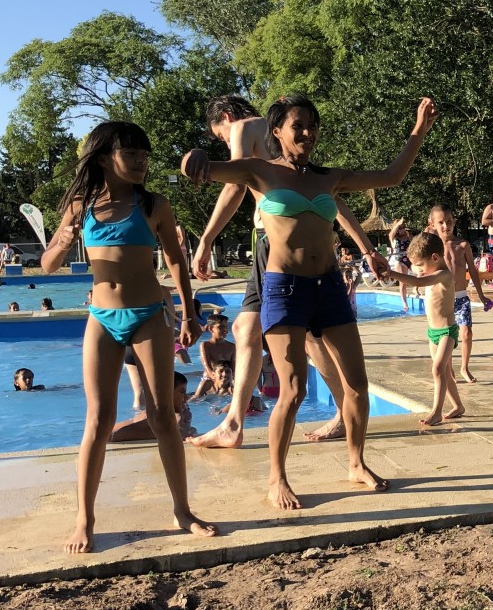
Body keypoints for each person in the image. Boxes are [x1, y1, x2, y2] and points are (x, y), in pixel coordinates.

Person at [180, 94, 439, 508]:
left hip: (329, 287)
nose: (307, 132)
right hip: (285, 288)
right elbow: (207, 170)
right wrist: (193, 157)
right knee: (294, 390)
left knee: (357, 386)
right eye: (297, 125)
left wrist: (418, 131)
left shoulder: (328, 178)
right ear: (277, 131)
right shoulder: (258, 171)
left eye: (312, 125)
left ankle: (356, 463)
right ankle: (277, 478)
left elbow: (391, 176)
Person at [40, 120, 215, 552]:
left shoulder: (154, 204)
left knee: (163, 416)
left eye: (144, 155)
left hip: (149, 314)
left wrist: (188, 313)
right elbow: (48, 265)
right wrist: (62, 241)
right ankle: (84, 519)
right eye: (131, 154)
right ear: (104, 158)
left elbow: (175, 260)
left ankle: (182, 510)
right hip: (102, 317)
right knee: (98, 420)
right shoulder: (81, 206)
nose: (141, 162)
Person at [189, 94, 389, 450]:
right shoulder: (289, 152)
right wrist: (366, 248)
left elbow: (235, 184)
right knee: (254, 328)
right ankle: (244, 419)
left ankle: (238, 423)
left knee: (294, 334)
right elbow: (333, 199)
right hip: (294, 241)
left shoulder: (243, 128)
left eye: (219, 135)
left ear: (225, 117)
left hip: (273, 242)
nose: (224, 140)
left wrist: (206, 239)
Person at [388, 231, 464, 426]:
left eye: (421, 265)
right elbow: (420, 275)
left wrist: (391, 273)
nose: (419, 269)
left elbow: (419, 281)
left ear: (435, 258)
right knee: (445, 372)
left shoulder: (444, 275)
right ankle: (458, 406)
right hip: (433, 333)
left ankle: (436, 411)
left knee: (437, 369)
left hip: (447, 331)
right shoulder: (431, 272)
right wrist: (418, 268)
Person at [426, 204, 492, 383]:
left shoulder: (462, 245)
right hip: (443, 300)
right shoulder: (433, 247)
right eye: (441, 223)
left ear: (454, 222)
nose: (446, 226)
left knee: (466, 333)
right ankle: (449, 370)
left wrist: (481, 295)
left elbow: (473, 271)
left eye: (449, 222)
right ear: (432, 224)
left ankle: (464, 367)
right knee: (445, 337)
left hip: (461, 297)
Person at [113, 372, 195, 442]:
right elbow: (118, 435)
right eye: (182, 392)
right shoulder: (155, 414)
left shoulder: (180, 411)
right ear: (166, 394)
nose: (186, 397)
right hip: (112, 433)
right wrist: (164, 433)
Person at [191, 314, 237, 399]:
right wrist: (215, 379)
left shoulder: (232, 347)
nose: (225, 330)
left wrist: (234, 380)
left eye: (226, 327)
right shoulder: (206, 345)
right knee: (196, 398)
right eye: (221, 327)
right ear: (211, 329)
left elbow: (233, 367)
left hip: (226, 378)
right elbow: (207, 366)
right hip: (209, 378)